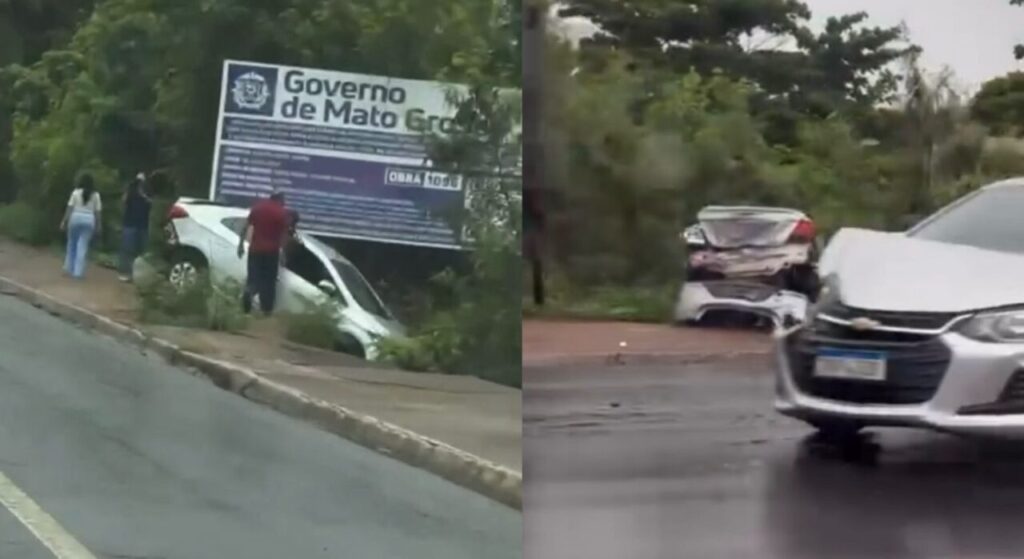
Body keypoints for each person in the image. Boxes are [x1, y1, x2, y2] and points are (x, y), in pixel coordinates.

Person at [237, 190, 290, 315]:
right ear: (279, 199)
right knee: (269, 282)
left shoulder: (257, 208)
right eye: (284, 199)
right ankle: (266, 311)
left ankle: (249, 293)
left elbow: (245, 226)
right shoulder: (281, 212)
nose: (285, 202)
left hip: (255, 250)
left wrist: (240, 245)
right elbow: (284, 235)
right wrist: (283, 253)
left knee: (253, 279)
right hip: (271, 252)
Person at [60, 173, 102, 280]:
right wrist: (98, 225)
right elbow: (97, 212)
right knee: (82, 245)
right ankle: (78, 273)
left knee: (71, 244)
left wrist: (64, 221)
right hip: (89, 219)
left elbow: (69, 208)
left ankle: (68, 267)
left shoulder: (75, 192)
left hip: (75, 217)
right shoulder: (96, 195)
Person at [118, 172, 152, 282]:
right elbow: (123, 202)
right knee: (129, 250)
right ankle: (126, 273)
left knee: (137, 251)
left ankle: (134, 274)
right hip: (133, 224)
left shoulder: (146, 194)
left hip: (138, 225)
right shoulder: (131, 192)